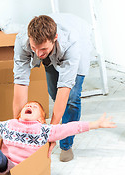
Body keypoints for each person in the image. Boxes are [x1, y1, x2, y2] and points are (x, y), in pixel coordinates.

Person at [12, 13, 92, 162]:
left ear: (54, 38)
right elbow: (20, 83)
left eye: (43, 49)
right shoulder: (22, 41)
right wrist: (17, 127)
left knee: (71, 99)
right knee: (54, 94)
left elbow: (65, 88)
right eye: (34, 48)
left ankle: (66, 145)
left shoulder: (72, 43)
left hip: (77, 44)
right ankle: (61, 123)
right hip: (53, 50)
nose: (38, 53)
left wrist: (51, 134)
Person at [0, 101, 115, 173]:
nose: (30, 106)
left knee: (0, 160)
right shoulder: (10, 124)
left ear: (41, 119)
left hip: (17, 167)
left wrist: (95, 124)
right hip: (4, 160)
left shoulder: (44, 130)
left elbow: (69, 128)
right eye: (28, 106)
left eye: (35, 107)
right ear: (20, 114)